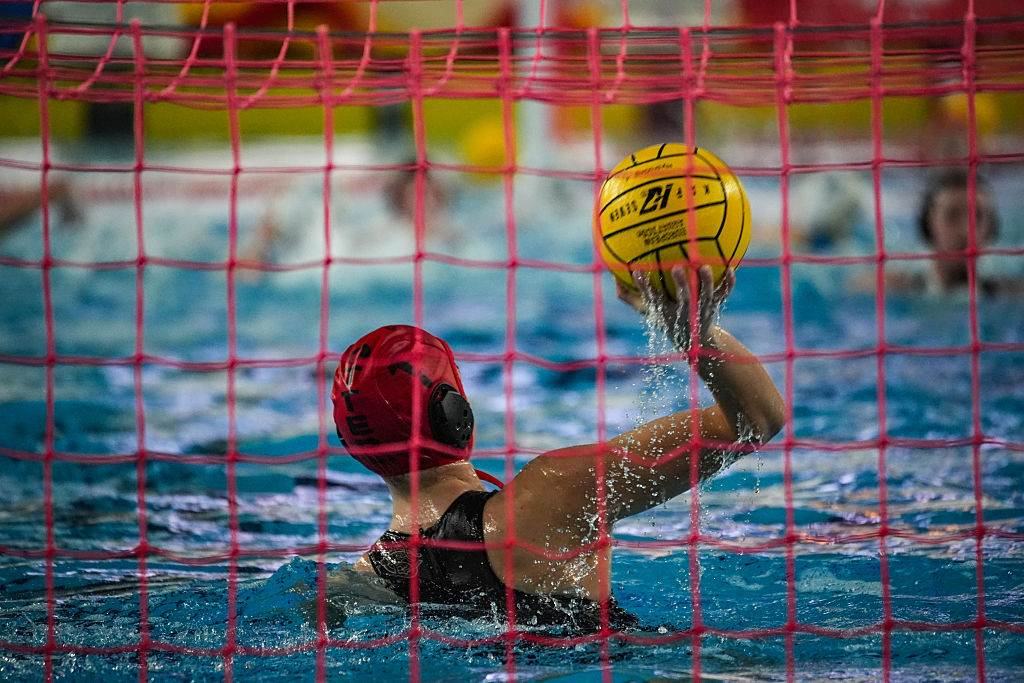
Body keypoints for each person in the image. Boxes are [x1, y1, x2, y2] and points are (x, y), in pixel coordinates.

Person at [330, 265, 786, 631]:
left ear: (357, 447)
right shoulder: (550, 497)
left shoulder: (359, 582)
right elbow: (755, 421)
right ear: (454, 413)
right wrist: (694, 333)